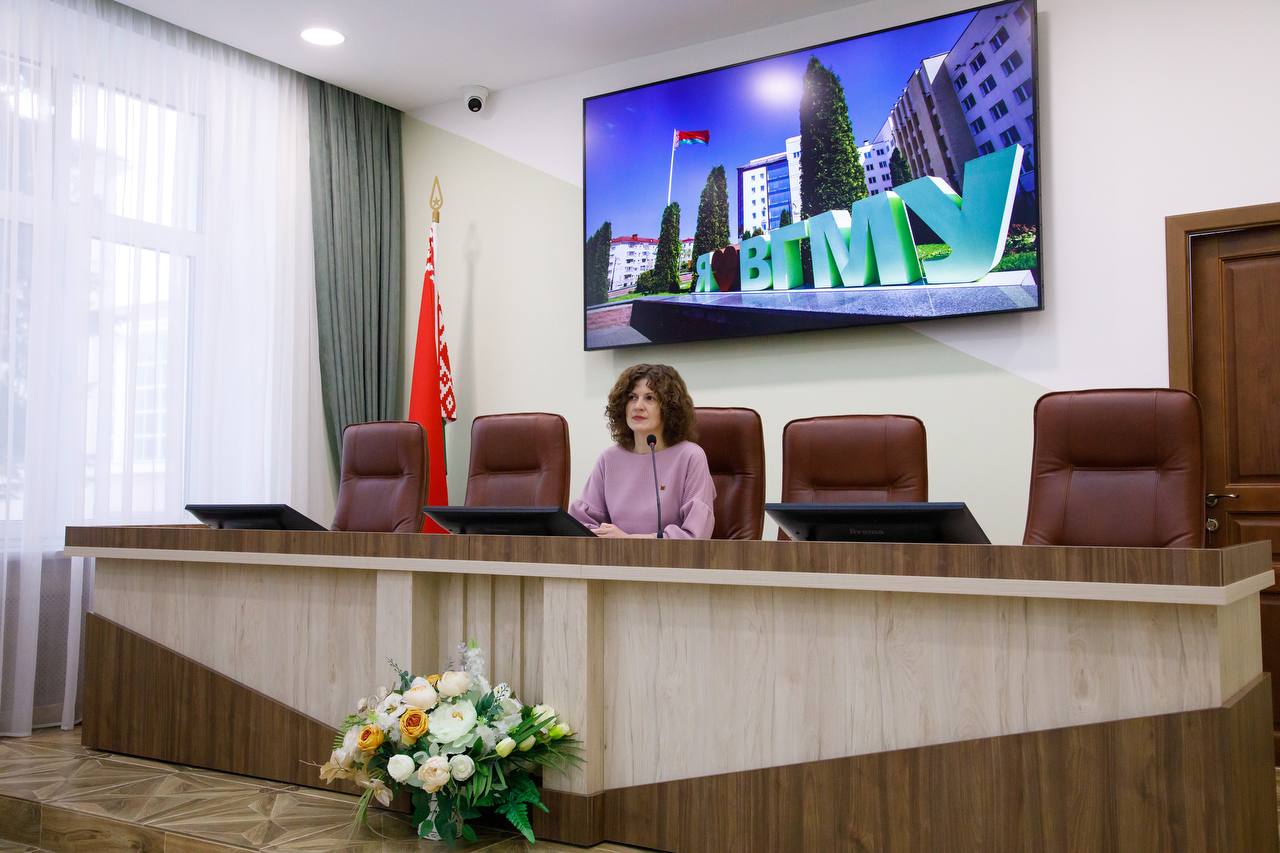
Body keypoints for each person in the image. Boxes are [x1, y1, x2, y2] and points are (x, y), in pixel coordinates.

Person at [569, 364, 715, 539]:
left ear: (669, 407)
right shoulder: (609, 459)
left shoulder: (691, 456)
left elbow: (696, 536)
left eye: (650, 398)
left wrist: (628, 540)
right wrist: (603, 537)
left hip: (671, 557)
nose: (638, 406)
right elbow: (579, 525)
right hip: (613, 556)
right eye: (632, 397)